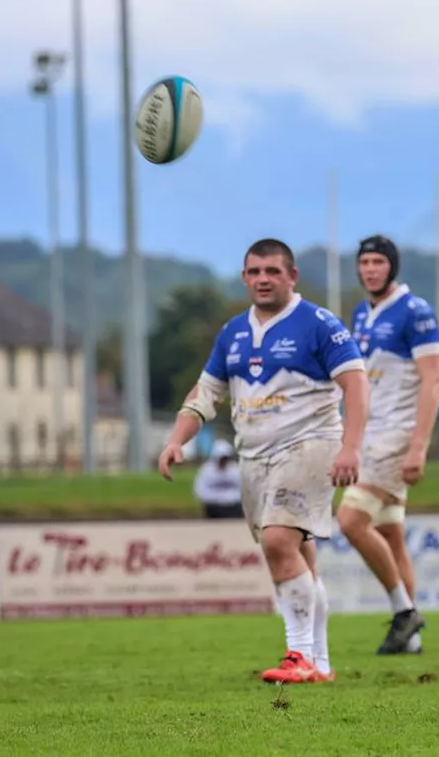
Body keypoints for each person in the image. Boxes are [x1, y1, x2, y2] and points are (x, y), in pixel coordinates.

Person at [158, 237, 370, 684]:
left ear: (292, 276)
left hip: (310, 445)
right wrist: (177, 439)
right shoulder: (232, 332)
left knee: (277, 541)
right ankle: (321, 664)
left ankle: (299, 655)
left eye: (273, 271)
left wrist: (351, 447)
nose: (263, 279)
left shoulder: (318, 324)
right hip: (254, 458)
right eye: (254, 272)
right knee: (297, 555)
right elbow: (206, 393)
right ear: (243, 277)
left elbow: (356, 384)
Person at [336, 235, 439, 655]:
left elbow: (433, 380)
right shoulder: (361, 314)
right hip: (369, 435)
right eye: (364, 262)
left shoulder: (415, 312)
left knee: (349, 521)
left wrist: (419, 446)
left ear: (392, 267)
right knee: (391, 535)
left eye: (378, 262)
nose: (370, 269)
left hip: (396, 436)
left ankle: (404, 612)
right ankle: (410, 640)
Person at [193, 439, 244, 518]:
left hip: (233, 507)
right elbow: (200, 489)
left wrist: (230, 499)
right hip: (214, 507)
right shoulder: (206, 470)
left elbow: (243, 489)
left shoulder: (235, 469)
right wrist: (217, 499)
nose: (223, 461)